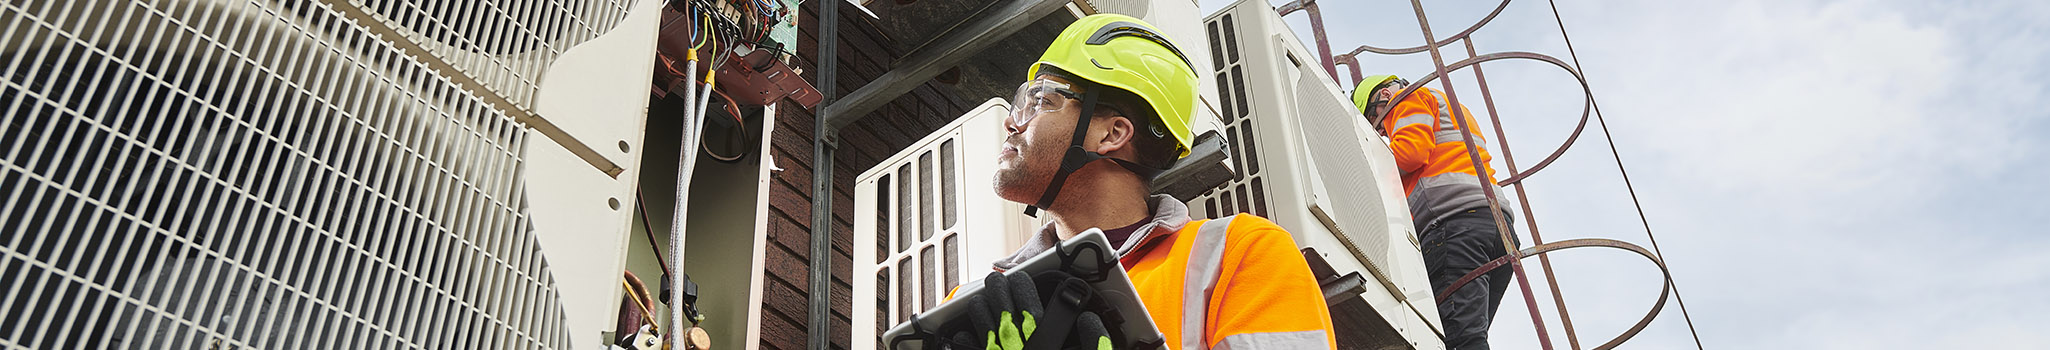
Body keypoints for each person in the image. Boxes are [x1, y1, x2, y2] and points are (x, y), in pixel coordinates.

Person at [974, 14, 1336, 350]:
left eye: (1042, 100)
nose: (1012, 122)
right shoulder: (978, 301)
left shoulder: (1239, 254)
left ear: (1111, 133)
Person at [1351, 75, 1519, 350]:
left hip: (1456, 225)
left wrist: (1364, 167)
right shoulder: (1449, 105)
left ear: (1383, 95)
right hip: (1497, 229)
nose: (1381, 132)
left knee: (1458, 338)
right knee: (1467, 335)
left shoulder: (1404, 100)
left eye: (1374, 120)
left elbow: (1409, 154)